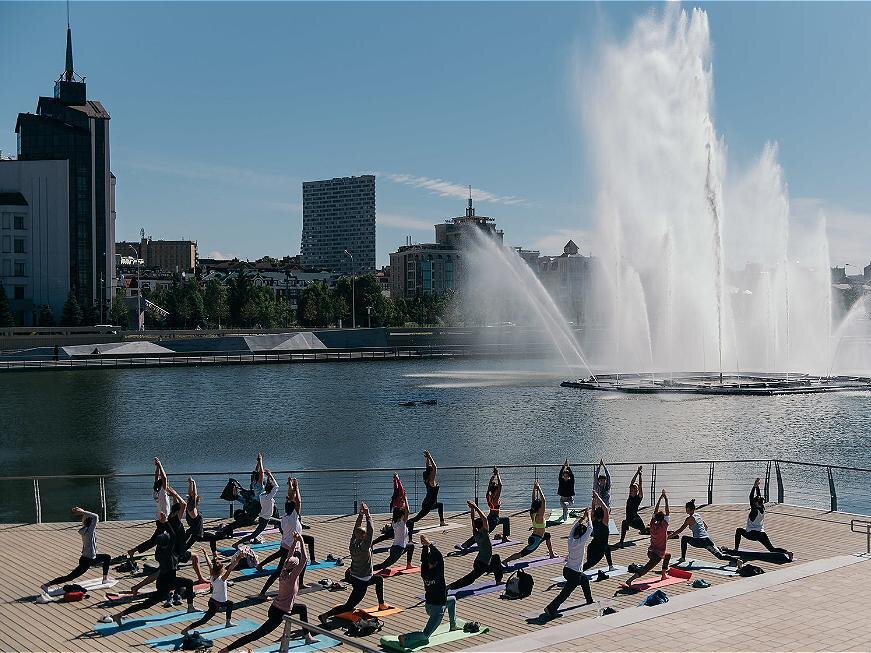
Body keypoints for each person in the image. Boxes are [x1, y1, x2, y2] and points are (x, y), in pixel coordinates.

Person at [217, 532, 316, 653]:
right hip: (280, 613)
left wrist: (295, 542)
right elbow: (304, 559)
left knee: (302, 608)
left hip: (275, 607)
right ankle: (226, 649)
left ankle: (307, 637)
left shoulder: (284, 571)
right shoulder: (292, 578)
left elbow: (290, 555)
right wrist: (300, 539)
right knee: (255, 635)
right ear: (295, 568)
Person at [318, 503, 388, 624]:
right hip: (362, 581)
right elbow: (371, 530)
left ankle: (381, 604)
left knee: (379, 579)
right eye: (365, 535)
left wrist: (360, 515)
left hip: (354, 576)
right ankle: (325, 615)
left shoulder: (352, 544)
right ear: (364, 536)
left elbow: (356, 528)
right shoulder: (365, 547)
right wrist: (368, 514)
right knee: (349, 606)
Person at [110, 529, 196, 625]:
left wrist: (138, 586)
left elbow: (154, 575)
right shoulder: (169, 556)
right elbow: (154, 575)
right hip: (167, 583)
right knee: (188, 582)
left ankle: (119, 615)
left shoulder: (161, 553)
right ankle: (190, 607)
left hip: (163, 583)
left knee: (146, 604)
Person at [258, 478, 317, 598]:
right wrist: (297, 487)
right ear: (294, 509)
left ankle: (300, 583)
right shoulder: (294, 517)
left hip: (286, 545)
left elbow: (290, 499)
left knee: (302, 562)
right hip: (291, 547)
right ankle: (262, 593)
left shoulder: (284, 518)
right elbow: (298, 501)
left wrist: (290, 486)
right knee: (279, 571)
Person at [398, 535, 458, 649]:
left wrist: (425, 546)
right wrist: (429, 544)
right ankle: (405, 637)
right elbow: (439, 557)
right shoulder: (438, 572)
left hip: (428, 605)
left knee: (452, 600)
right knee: (426, 635)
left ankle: (453, 625)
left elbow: (424, 559)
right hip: (437, 609)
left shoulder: (424, 570)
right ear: (436, 564)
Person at [41, 506, 111, 593]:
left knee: (107, 557)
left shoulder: (85, 528)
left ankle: (105, 579)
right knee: (70, 577)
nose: (96, 523)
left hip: (90, 557)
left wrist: (82, 513)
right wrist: (83, 511)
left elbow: (88, 519)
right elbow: (95, 516)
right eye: (94, 523)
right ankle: (46, 585)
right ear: (91, 524)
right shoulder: (89, 532)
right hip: (87, 560)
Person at [543, 507, 593, 618]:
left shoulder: (571, 539)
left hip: (566, 570)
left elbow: (574, 527)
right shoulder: (581, 542)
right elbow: (590, 529)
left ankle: (589, 600)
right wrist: (589, 515)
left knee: (584, 580)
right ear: (582, 535)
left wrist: (583, 517)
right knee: (565, 593)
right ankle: (550, 609)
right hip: (575, 573)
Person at [125, 458, 172, 570]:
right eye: (166, 484)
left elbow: (156, 478)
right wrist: (160, 465)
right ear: (163, 485)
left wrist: (157, 467)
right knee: (156, 540)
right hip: (163, 519)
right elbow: (164, 478)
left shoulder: (156, 491)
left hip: (160, 518)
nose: (167, 485)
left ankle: (135, 550)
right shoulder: (162, 492)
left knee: (159, 539)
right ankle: (134, 551)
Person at [181, 549, 242, 634]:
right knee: (204, 620)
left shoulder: (212, 576)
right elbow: (231, 568)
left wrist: (205, 554)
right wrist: (238, 558)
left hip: (216, 601)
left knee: (230, 604)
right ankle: (186, 629)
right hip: (215, 604)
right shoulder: (222, 579)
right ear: (221, 570)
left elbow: (209, 563)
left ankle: (228, 622)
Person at [732, 478, 793, 560]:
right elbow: (759, 497)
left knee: (738, 530)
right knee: (772, 549)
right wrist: (757, 487)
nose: (753, 503)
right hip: (762, 533)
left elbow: (750, 497)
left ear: (756, 503)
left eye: (754, 502)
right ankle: (788, 552)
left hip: (752, 534)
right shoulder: (762, 508)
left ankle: (736, 549)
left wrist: (754, 487)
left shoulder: (754, 511)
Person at [448, 501, 503, 588]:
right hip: (482, 564)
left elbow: (472, 520)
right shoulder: (485, 534)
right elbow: (485, 519)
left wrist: (472, 509)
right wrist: (475, 507)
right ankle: (450, 586)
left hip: (480, 561)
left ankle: (498, 581)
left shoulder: (475, 533)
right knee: (470, 579)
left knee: (496, 558)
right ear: (482, 526)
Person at [502, 480, 555, 566]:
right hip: (535, 541)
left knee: (547, 535)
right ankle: (505, 561)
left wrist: (534, 488)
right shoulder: (540, 516)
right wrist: (539, 488)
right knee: (521, 554)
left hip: (535, 537)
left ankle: (551, 554)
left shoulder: (532, 513)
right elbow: (544, 501)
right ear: (539, 508)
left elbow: (533, 500)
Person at [626, 489, 670, 587]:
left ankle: (663, 575)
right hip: (657, 555)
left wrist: (660, 499)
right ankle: (630, 580)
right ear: (663, 519)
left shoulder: (652, 523)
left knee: (668, 556)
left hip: (650, 552)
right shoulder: (664, 526)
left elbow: (655, 511)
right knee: (646, 569)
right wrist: (665, 498)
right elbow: (667, 511)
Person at [458, 467, 509, 549]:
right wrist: (498, 474)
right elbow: (500, 485)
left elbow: (490, 485)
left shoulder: (488, 496)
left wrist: (494, 475)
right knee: (483, 533)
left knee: (506, 520)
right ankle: (466, 544)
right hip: (494, 520)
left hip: (492, 517)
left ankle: (505, 537)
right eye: (497, 490)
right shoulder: (495, 499)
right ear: (496, 491)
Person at [234, 469, 280, 548]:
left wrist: (269, 477)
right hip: (264, 520)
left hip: (266, 518)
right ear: (270, 491)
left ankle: (286, 539)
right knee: (253, 535)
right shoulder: (268, 497)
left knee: (280, 523)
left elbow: (273, 487)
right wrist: (270, 475)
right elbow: (276, 486)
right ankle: (236, 544)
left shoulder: (262, 495)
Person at [408, 451, 446, 533]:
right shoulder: (431, 481)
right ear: (431, 473)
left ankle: (442, 522)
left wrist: (427, 458)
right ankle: (401, 525)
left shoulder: (427, 478)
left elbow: (428, 468)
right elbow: (435, 468)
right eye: (432, 472)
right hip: (428, 505)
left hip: (429, 502)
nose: (434, 473)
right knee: (416, 519)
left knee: (440, 505)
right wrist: (430, 456)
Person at [373, 496, 415, 571]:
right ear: (402, 516)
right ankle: (366, 570)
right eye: (404, 515)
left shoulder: (394, 522)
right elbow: (407, 510)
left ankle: (409, 565)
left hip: (397, 547)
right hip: (398, 550)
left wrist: (400, 502)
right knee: (382, 565)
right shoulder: (402, 524)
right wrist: (405, 499)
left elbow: (396, 510)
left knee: (411, 546)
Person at [183, 477, 219, 555]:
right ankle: (215, 556)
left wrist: (190, 483)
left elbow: (190, 494)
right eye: (198, 501)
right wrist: (194, 482)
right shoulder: (192, 509)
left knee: (186, 546)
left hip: (193, 532)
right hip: (198, 534)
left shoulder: (189, 508)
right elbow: (194, 494)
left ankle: (177, 552)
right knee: (213, 537)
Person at [582, 491, 615, 573]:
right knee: (589, 564)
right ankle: (576, 574)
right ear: (603, 515)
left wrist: (594, 500)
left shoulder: (594, 520)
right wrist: (597, 496)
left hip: (592, 546)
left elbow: (593, 509)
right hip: (599, 549)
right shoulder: (604, 523)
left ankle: (611, 566)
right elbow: (605, 509)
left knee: (607, 547)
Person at [618, 466, 647, 547]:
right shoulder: (630, 496)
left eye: (633, 490)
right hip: (630, 519)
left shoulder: (639, 497)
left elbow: (640, 486)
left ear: (636, 491)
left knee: (643, 530)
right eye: (630, 490)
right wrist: (637, 472)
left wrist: (640, 475)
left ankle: (647, 529)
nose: (630, 491)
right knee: (624, 522)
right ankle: (621, 541)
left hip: (636, 521)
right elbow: (632, 482)